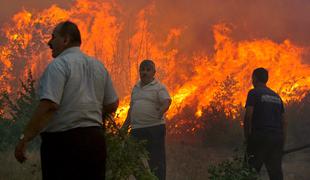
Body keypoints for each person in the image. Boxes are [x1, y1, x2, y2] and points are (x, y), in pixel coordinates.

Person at [14, 21, 119, 180]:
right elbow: (112, 104)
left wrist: (25, 138)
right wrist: (88, 112)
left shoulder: (58, 65)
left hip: (63, 144)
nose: (49, 42)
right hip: (95, 141)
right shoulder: (98, 66)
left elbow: (49, 105)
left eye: (53, 37)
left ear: (65, 40)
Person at [122, 60, 171, 180]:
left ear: (154, 72)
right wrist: (124, 126)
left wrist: (161, 111)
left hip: (154, 128)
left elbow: (167, 101)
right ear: (139, 71)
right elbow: (131, 108)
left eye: (148, 70)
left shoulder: (159, 87)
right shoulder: (136, 88)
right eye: (142, 69)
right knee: (130, 156)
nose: (144, 72)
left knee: (156, 160)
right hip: (136, 129)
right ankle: (144, 178)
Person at [244, 67, 287, 180]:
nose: (252, 81)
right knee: (276, 175)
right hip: (276, 139)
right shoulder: (277, 97)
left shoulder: (253, 93)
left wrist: (248, 137)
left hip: (260, 137)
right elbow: (283, 122)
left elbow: (248, 116)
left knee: (248, 173)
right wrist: (282, 143)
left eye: (252, 78)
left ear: (255, 78)